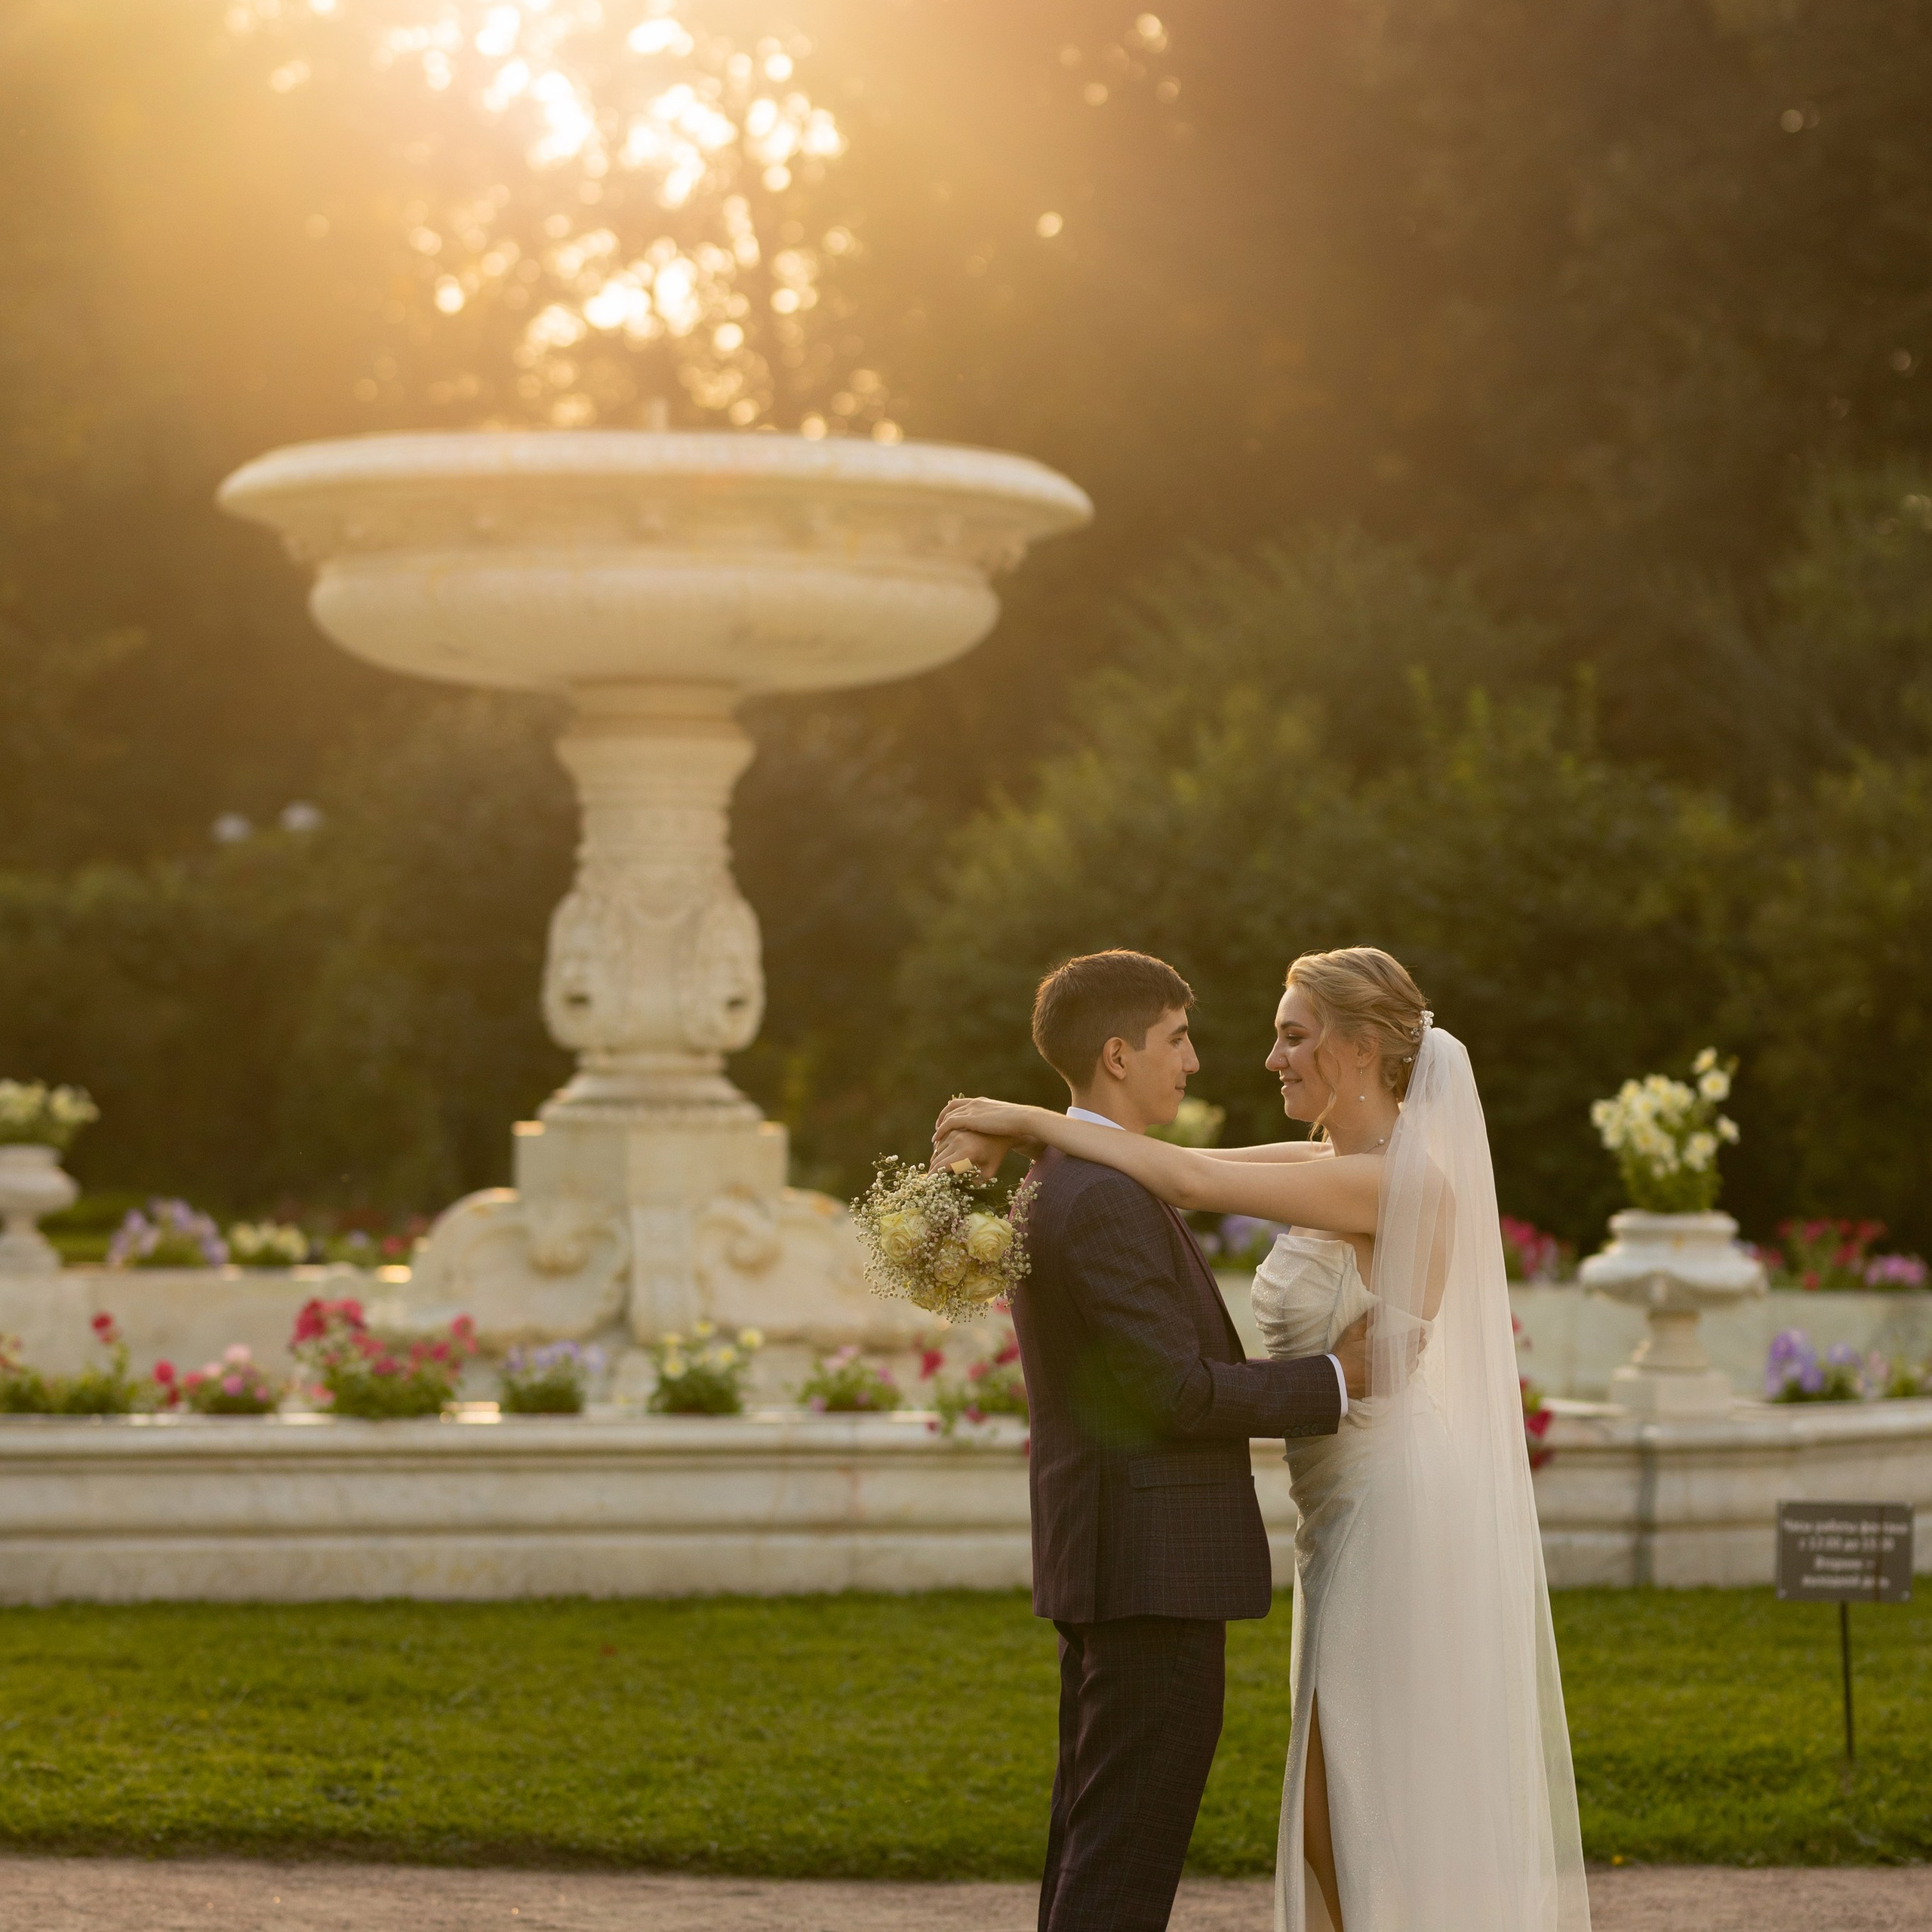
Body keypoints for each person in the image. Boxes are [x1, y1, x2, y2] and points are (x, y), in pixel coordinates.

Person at [933, 945, 1590, 1932]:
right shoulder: (1328, 1163)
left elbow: (1184, 1178)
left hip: (1391, 1505)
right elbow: (1168, 1171)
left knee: (1359, 1804)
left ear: (1362, 1047)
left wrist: (1023, 1117)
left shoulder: (1393, 1182)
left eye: (1293, 1036)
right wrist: (1038, 1133)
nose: (1267, 1059)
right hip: (1340, 1512)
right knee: (1335, 1802)